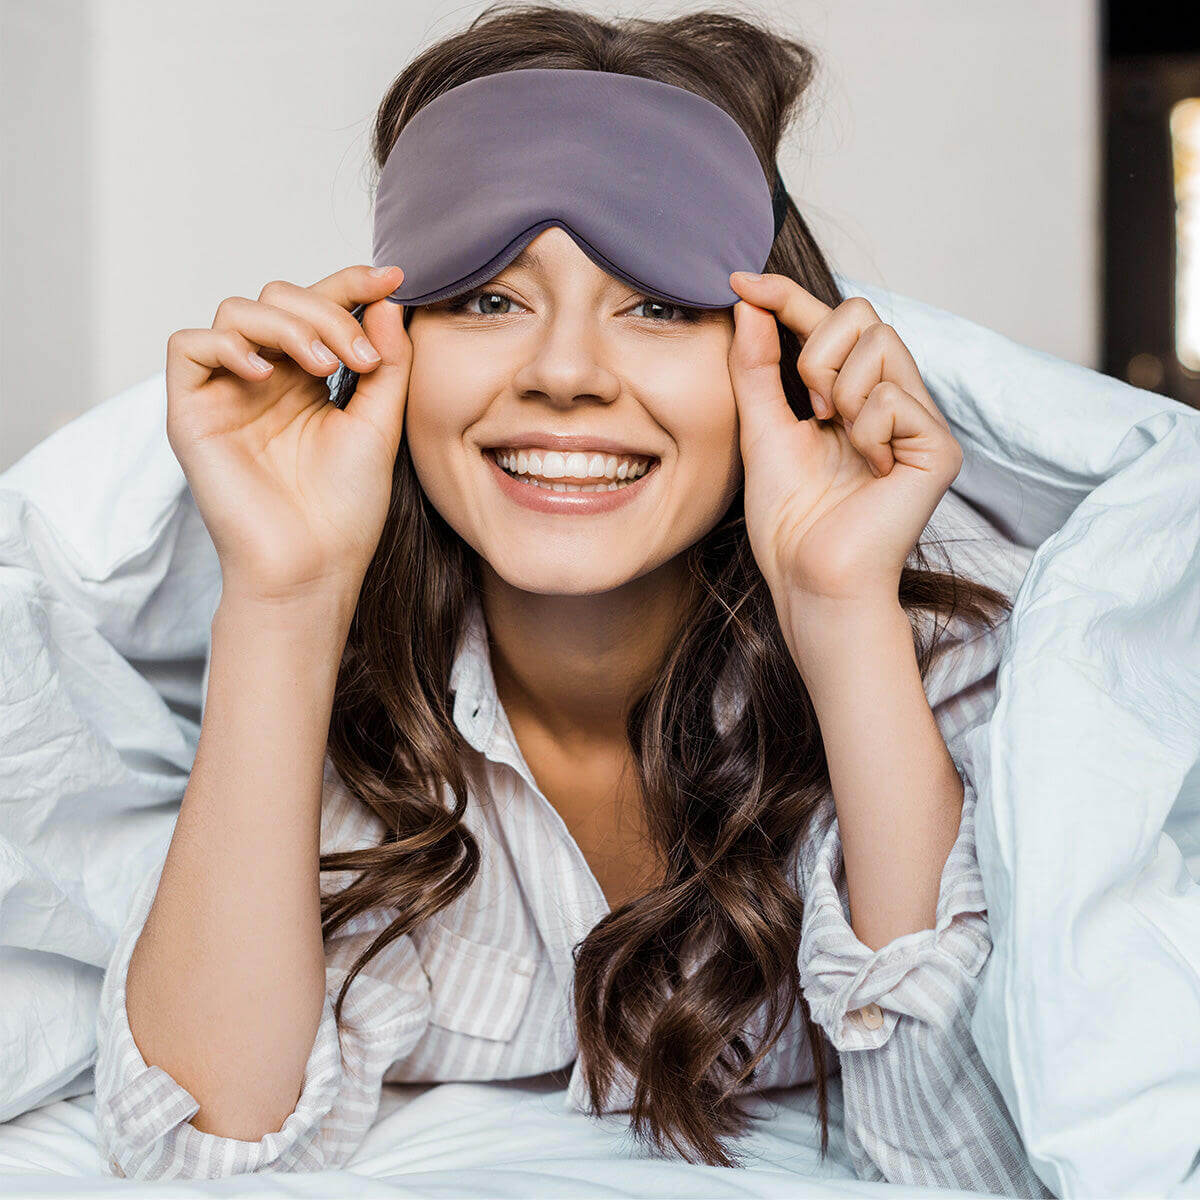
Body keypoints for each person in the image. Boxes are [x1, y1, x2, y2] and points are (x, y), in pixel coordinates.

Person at [92, 5, 1052, 1194]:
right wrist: (286, 594)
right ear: (382, 344)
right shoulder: (330, 676)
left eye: (658, 303)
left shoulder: (957, 650)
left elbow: (975, 1163)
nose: (562, 372)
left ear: (779, 352)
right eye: (488, 298)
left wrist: (845, 617)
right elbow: (198, 1148)